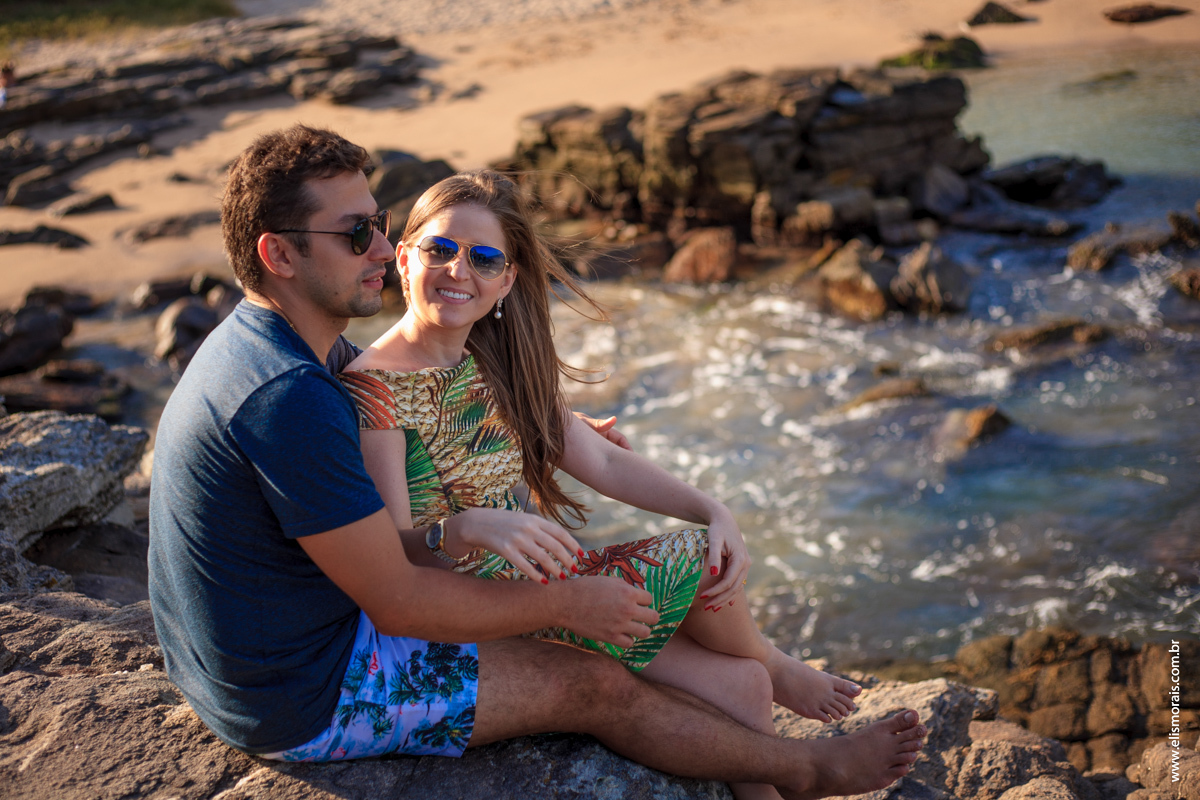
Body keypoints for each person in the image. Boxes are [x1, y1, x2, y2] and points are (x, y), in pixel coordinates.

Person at [147, 123, 925, 799]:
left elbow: (405, 393)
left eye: (381, 226)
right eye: (357, 235)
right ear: (277, 254)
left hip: (250, 661)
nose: (383, 250)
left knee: (731, 671)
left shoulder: (293, 354)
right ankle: (807, 771)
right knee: (591, 684)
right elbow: (399, 599)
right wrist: (562, 603)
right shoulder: (292, 396)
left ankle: (774, 699)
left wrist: (528, 426)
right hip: (304, 693)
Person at [338, 169, 866, 799]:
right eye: (440, 250)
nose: (459, 271)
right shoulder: (375, 389)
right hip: (482, 616)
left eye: (483, 258)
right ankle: (779, 672)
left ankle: (770, 693)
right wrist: (464, 527)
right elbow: (394, 552)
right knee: (701, 575)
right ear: (403, 257)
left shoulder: (496, 363)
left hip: (551, 586)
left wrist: (712, 507)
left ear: (506, 281)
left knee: (742, 682)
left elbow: (607, 465)